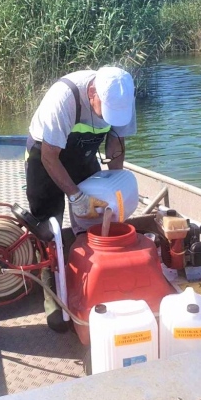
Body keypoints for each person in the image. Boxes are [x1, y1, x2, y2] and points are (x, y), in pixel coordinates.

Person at [25, 67, 137, 331]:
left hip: (84, 156)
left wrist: (115, 184)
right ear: (92, 93)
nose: (108, 116)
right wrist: (75, 196)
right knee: (48, 229)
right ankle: (52, 292)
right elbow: (49, 157)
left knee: (94, 219)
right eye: (103, 110)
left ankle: (88, 277)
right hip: (46, 157)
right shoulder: (64, 97)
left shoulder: (122, 96)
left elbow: (116, 142)